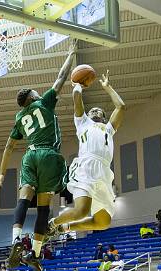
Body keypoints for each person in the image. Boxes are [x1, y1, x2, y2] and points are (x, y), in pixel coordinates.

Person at [0, 42, 78, 271]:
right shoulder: (44, 102)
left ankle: (16, 241)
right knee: (43, 209)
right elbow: (61, 78)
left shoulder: (20, 117)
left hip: (29, 156)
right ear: (31, 97)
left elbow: (9, 146)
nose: (38, 92)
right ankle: (36, 253)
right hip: (49, 155)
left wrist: (1, 172)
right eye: (34, 92)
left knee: (23, 199)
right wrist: (70, 54)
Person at [47, 70, 125, 237]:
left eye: (99, 112)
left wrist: (108, 88)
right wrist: (78, 86)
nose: (96, 111)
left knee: (103, 223)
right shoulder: (82, 123)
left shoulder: (109, 129)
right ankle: (53, 223)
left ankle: (65, 228)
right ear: (87, 115)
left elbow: (121, 107)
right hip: (86, 167)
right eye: (93, 111)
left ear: (104, 119)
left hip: (104, 172)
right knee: (81, 210)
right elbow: (77, 99)